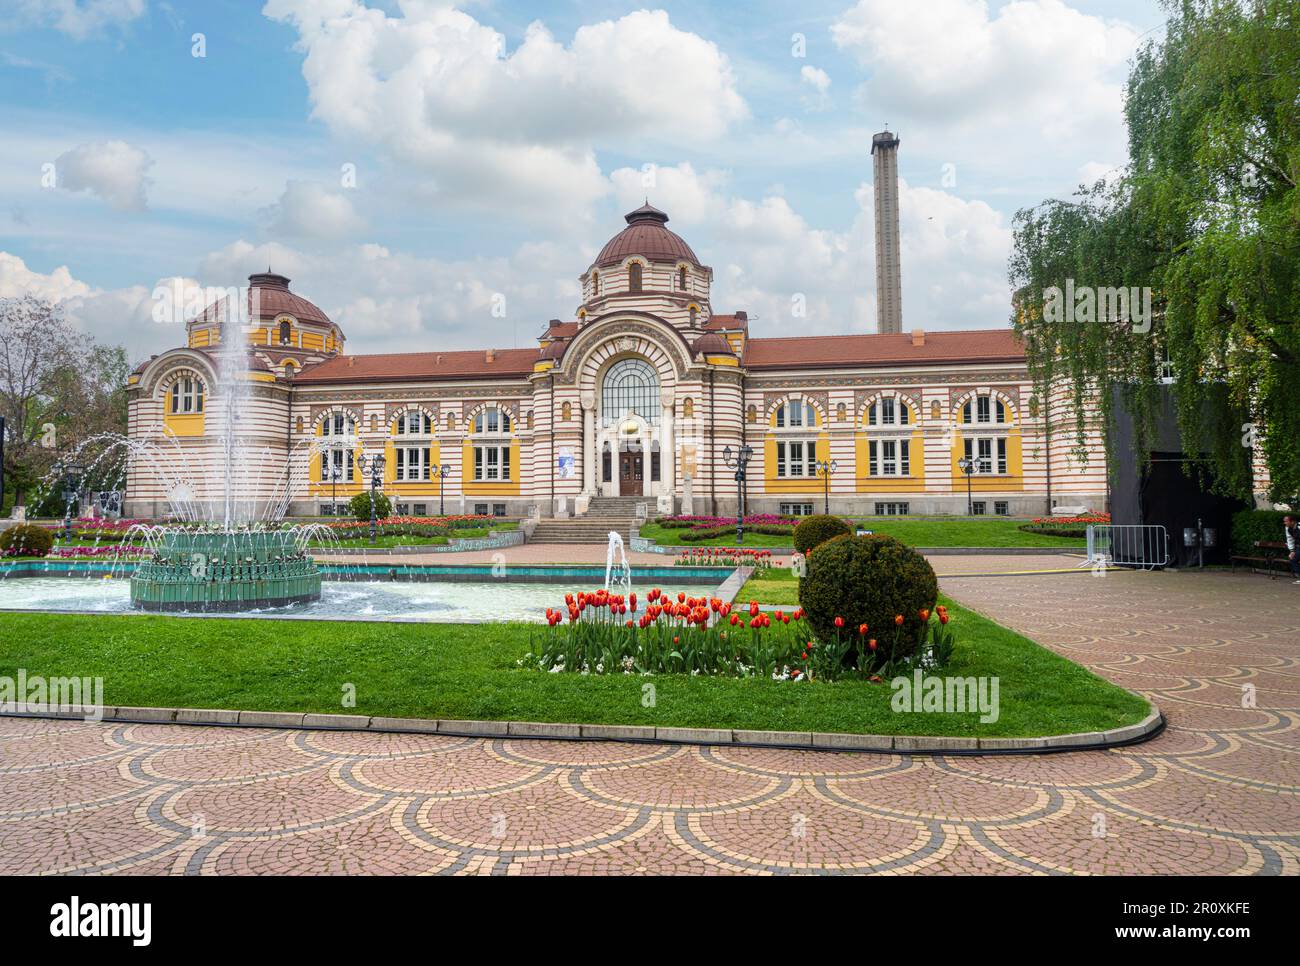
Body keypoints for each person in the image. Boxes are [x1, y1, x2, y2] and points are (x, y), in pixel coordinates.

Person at [1286, 515, 1300, 584]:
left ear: (1292, 522)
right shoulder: (1288, 529)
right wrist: (1292, 551)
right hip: (1298, 548)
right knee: (1292, 558)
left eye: (1286, 521)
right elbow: (1290, 540)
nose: (1285, 523)